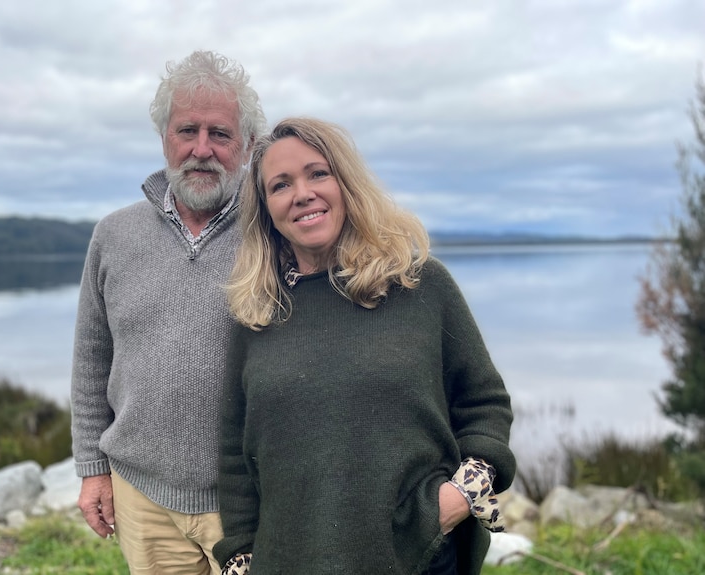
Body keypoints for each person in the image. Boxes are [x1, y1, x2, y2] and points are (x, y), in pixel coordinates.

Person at [213, 117, 516, 575]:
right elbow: (235, 452)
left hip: (417, 556)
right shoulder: (257, 311)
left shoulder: (420, 285)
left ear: (346, 183)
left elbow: (484, 404)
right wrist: (241, 557)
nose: (303, 194)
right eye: (280, 184)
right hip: (289, 561)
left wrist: (458, 498)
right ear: (267, 210)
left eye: (318, 173)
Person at [70, 50, 266, 575]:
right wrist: (93, 468)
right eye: (187, 131)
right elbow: (92, 358)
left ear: (247, 146)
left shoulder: (276, 232)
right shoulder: (113, 235)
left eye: (220, 134)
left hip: (251, 502)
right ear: (164, 139)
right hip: (142, 496)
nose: (202, 149)